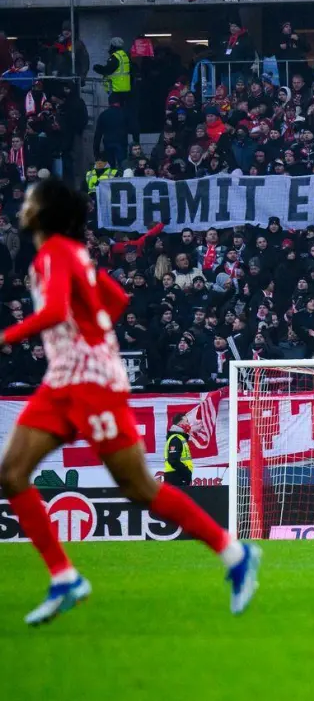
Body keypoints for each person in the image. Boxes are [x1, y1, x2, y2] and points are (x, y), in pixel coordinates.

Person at [0, 177, 261, 625]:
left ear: (45, 212)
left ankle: (235, 553)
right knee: (12, 473)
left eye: (32, 200)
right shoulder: (71, 255)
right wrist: (94, 330)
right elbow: (116, 299)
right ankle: (64, 577)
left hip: (91, 383)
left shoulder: (56, 254)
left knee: (139, 488)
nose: (24, 205)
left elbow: (54, 311)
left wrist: (8, 336)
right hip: (63, 380)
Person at [162, 411, 193, 486]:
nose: (188, 424)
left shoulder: (180, 438)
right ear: (180, 424)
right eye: (186, 421)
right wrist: (186, 473)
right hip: (176, 477)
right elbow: (173, 460)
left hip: (178, 476)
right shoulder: (176, 438)